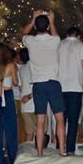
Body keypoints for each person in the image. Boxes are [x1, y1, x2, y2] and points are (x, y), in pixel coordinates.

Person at [20, 11, 66, 156]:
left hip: (38, 84)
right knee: (60, 119)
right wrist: (52, 21)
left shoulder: (30, 41)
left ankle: (39, 152)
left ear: (35, 27)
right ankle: (62, 151)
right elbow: (55, 35)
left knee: (40, 121)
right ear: (47, 27)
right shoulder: (55, 40)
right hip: (53, 82)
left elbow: (22, 34)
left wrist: (33, 19)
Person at [58, 26, 83, 155]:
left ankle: (60, 147)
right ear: (79, 36)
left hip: (60, 87)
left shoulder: (59, 44)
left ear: (67, 34)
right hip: (75, 87)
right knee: (73, 120)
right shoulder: (82, 46)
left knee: (60, 119)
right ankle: (70, 148)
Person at [0, 43, 19, 164]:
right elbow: (16, 82)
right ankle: (12, 160)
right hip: (7, 96)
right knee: (11, 131)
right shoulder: (10, 66)